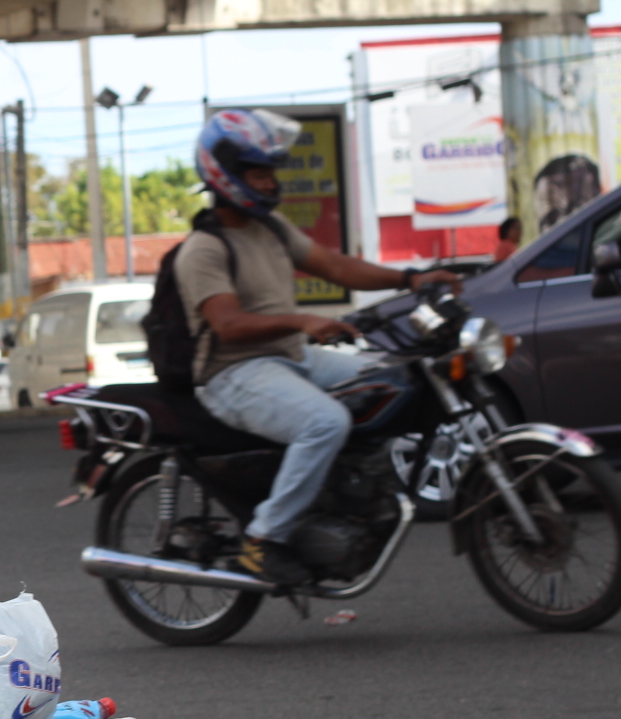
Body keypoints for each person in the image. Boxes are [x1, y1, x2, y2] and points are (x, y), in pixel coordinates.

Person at [178, 109, 460, 585]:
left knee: (389, 381)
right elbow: (227, 325)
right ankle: (263, 539)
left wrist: (412, 279)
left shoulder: (270, 228)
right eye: (257, 172)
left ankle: (355, 501)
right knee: (325, 421)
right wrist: (303, 319)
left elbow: (337, 267)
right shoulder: (203, 249)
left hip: (291, 359)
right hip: (233, 374)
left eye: (270, 172)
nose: (269, 183)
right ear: (224, 175)